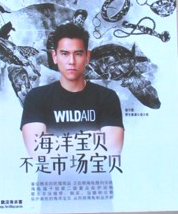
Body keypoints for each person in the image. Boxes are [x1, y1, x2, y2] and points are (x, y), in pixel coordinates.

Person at [20, 22, 124, 157]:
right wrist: (94, 137)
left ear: (87, 56)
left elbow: (113, 149)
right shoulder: (36, 97)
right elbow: (37, 151)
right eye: (64, 54)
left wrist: (55, 141)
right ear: (54, 56)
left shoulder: (107, 97)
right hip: (54, 171)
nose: (71, 61)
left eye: (78, 54)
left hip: (95, 172)